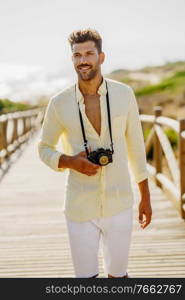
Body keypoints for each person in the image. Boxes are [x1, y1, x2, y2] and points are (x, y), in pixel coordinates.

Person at [38, 28, 152, 278]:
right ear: (72, 60)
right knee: (86, 281)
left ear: (101, 57)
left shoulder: (124, 94)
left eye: (89, 53)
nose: (83, 60)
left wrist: (145, 197)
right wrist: (69, 161)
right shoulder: (59, 103)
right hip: (79, 207)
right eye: (77, 55)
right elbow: (43, 148)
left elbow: (136, 146)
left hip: (120, 201)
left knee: (119, 278)